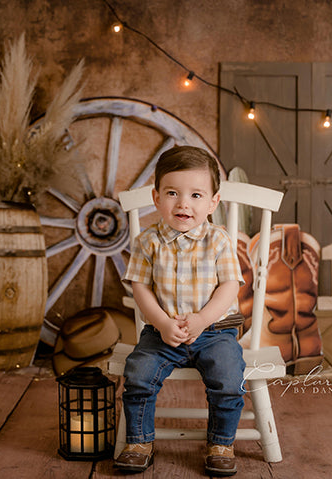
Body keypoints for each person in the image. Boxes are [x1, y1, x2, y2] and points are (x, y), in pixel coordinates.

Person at [114, 146, 245, 476]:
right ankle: (140, 441)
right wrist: (160, 321)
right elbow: (140, 288)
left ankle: (220, 443)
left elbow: (229, 286)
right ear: (156, 198)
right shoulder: (148, 242)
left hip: (215, 332)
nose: (184, 204)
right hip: (163, 331)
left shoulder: (219, 240)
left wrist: (202, 319)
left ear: (213, 202)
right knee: (138, 374)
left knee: (228, 377)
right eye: (173, 193)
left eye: (196, 195)